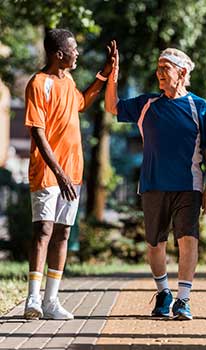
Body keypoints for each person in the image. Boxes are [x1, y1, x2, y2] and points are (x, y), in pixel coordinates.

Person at [105, 47, 206, 321]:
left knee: (187, 240)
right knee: (155, 245)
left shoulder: (198, 106)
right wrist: (114, 76)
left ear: (181, 73)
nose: (159, 73)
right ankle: (164, 292)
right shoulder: (148, 104)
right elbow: (112, 107)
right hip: (153, 184)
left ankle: (183, 299)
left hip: (187, 186)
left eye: (165, 68)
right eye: (158, 68)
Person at [24, 29, 116, 320]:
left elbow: (82, 103)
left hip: (72, 172)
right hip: (49, 172)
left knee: (63, 233)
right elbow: (37, 132)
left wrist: (104, 73)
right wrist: (59, 173)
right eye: (73, 49)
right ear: (58, 54)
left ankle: (51, 301)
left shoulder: (68, 80)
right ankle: (32, 300)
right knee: (44, 231)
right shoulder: (39, 84)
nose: (77, 53)